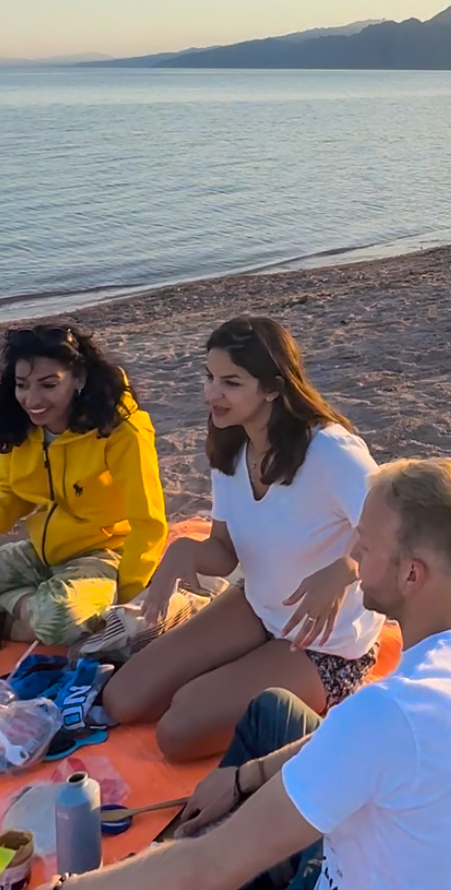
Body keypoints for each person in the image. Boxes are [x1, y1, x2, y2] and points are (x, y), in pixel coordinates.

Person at [0, 458, 451, 890]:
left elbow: (206, 875)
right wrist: (245, 778)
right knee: (275, 711)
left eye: (367, 543)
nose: (351, 551)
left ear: (413, 573)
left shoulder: (389, 713)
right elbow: (357, 748)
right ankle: (175, 888)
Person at [102, 316, 382, 760]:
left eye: (231, 382)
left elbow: (396, 530)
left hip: (324, 644)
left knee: (177, 731)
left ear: (272, 387)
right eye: (209, 378)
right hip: (257, 604)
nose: (213, 394)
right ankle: (233, 670)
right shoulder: (232, 448)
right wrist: (183, 551)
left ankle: (275, 686)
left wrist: (344, 569)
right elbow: (224, 551)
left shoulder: (331, 451)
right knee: (123, 698)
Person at [0, 325, 166, 647]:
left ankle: (9, 612)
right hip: (39, 552)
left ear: (79, 379)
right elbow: (15, 496)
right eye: (22, 385)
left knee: (58, 619)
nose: (32, 400)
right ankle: (19, 605)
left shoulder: (120, 433)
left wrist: (127, 594)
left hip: (102, 554)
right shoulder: (21, 426)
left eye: (48, 385)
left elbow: (148, 522)